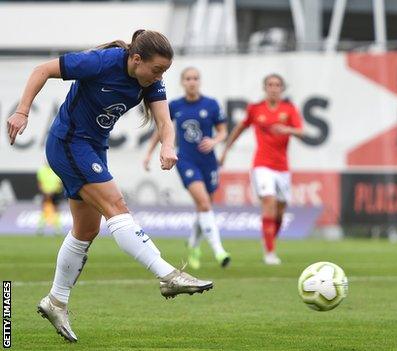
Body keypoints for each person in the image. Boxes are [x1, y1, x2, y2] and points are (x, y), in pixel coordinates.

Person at [6, 30, 214, 343]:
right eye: (157, 69)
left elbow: (164, 121)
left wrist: (168, 146)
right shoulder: (100, 62)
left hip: (93, 148)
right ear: (136, 59)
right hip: (68, 144)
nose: (161, 77)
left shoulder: (150, 79)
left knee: (86, 230)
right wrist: (22, 111)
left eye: (165, 71)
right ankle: (168, 275)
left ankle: (56, 301)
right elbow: (42, 70)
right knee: (117, 206)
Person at [144, 67, 231, 270]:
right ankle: (219, 251)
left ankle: (193, 244)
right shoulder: (175, 105)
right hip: (186, 160)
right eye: (188, 78)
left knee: (204, 206)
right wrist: (149, 152)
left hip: (208, 161)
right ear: (183, 82)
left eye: (195, 78)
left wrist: (215, 141)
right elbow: (163, 129)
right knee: (204, 203)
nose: (192, 82)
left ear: (199, 81)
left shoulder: (210, 104)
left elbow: (223, 130)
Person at [220, 73, 304, 265]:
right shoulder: (255, 109)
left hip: (282, 167)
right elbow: (240, 128)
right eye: (270, 84)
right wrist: (226, 150)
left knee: (280, 211)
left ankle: (268, 238)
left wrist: (287, 130)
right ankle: (270, 252)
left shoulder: (289, 109)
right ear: (265, 88)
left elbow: (301, 132)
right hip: (262, 165)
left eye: (277, 85)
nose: (273, 88)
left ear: (282, 88)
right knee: (269, 202)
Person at [37, 161, 64, 235]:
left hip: (55, 193)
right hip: (45, 193)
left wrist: (52, 191)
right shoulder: (41, 171)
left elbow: (59, 183)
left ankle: (58, 229)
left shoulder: (56, 169)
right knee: (45, 209)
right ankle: (40, 228)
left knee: (56, 210)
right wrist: (45, 192)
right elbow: (40, 183)